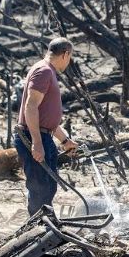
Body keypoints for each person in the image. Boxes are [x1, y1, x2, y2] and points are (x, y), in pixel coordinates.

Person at [14, 37, 79, 216]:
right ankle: (37, 229)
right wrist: (36, 142)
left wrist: (65, 140)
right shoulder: (43, 71)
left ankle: (45, 225)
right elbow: (31, 106)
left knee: (48, 186)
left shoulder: (46, 71)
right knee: (40, 187)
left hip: (42, 135)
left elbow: (46, 119)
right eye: (70, 57)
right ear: (65, 54)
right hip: (33, 136)